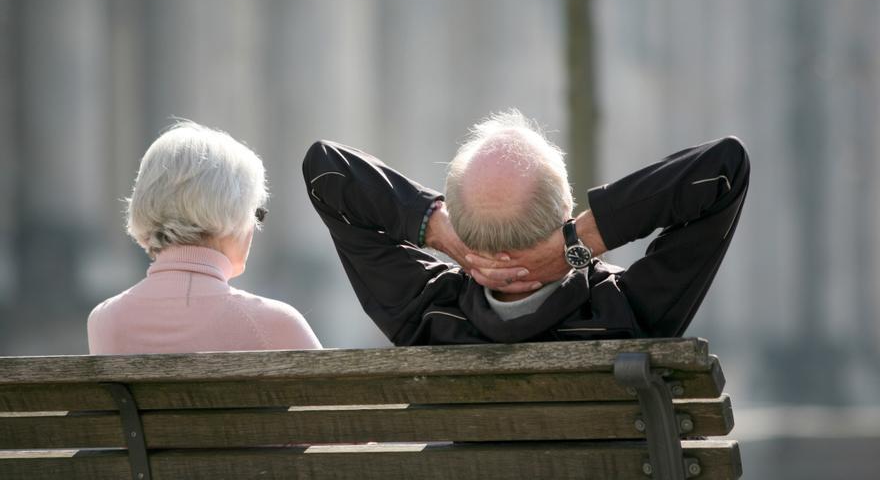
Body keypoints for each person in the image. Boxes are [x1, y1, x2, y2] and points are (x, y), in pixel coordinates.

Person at [303, 110, 749, 345]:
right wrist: (580, 243)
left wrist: (441, 233)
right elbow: (724, 169)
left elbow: (328, 173)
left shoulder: (425, 316)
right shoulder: (629, 312)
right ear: (566, 207)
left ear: (462, 223)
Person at [88, 121, 322, 354]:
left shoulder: (104, 320)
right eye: (255, 213)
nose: (254, 227)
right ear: (233, 212)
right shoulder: (275, 323)